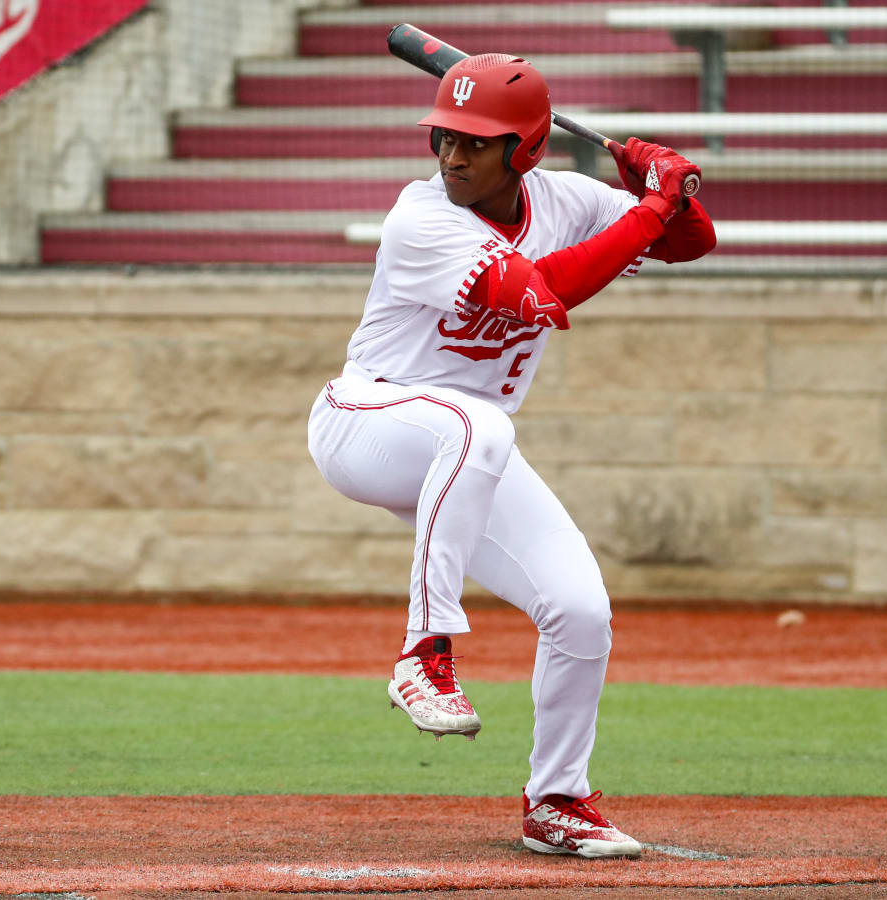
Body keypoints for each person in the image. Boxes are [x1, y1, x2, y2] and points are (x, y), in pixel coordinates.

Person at [306, 53, 715, 858]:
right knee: (480, 425)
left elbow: (690, 245)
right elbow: (542, 291)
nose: (453, 156)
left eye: (475, 142)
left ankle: (556, 799)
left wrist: (669, 183)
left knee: (580, 610)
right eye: (444, 137)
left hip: (463, 455)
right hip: (366, 422)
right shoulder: (420, 218)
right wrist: (648, 205)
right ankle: (424, 653)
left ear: (525, 150)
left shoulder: (566, 200)